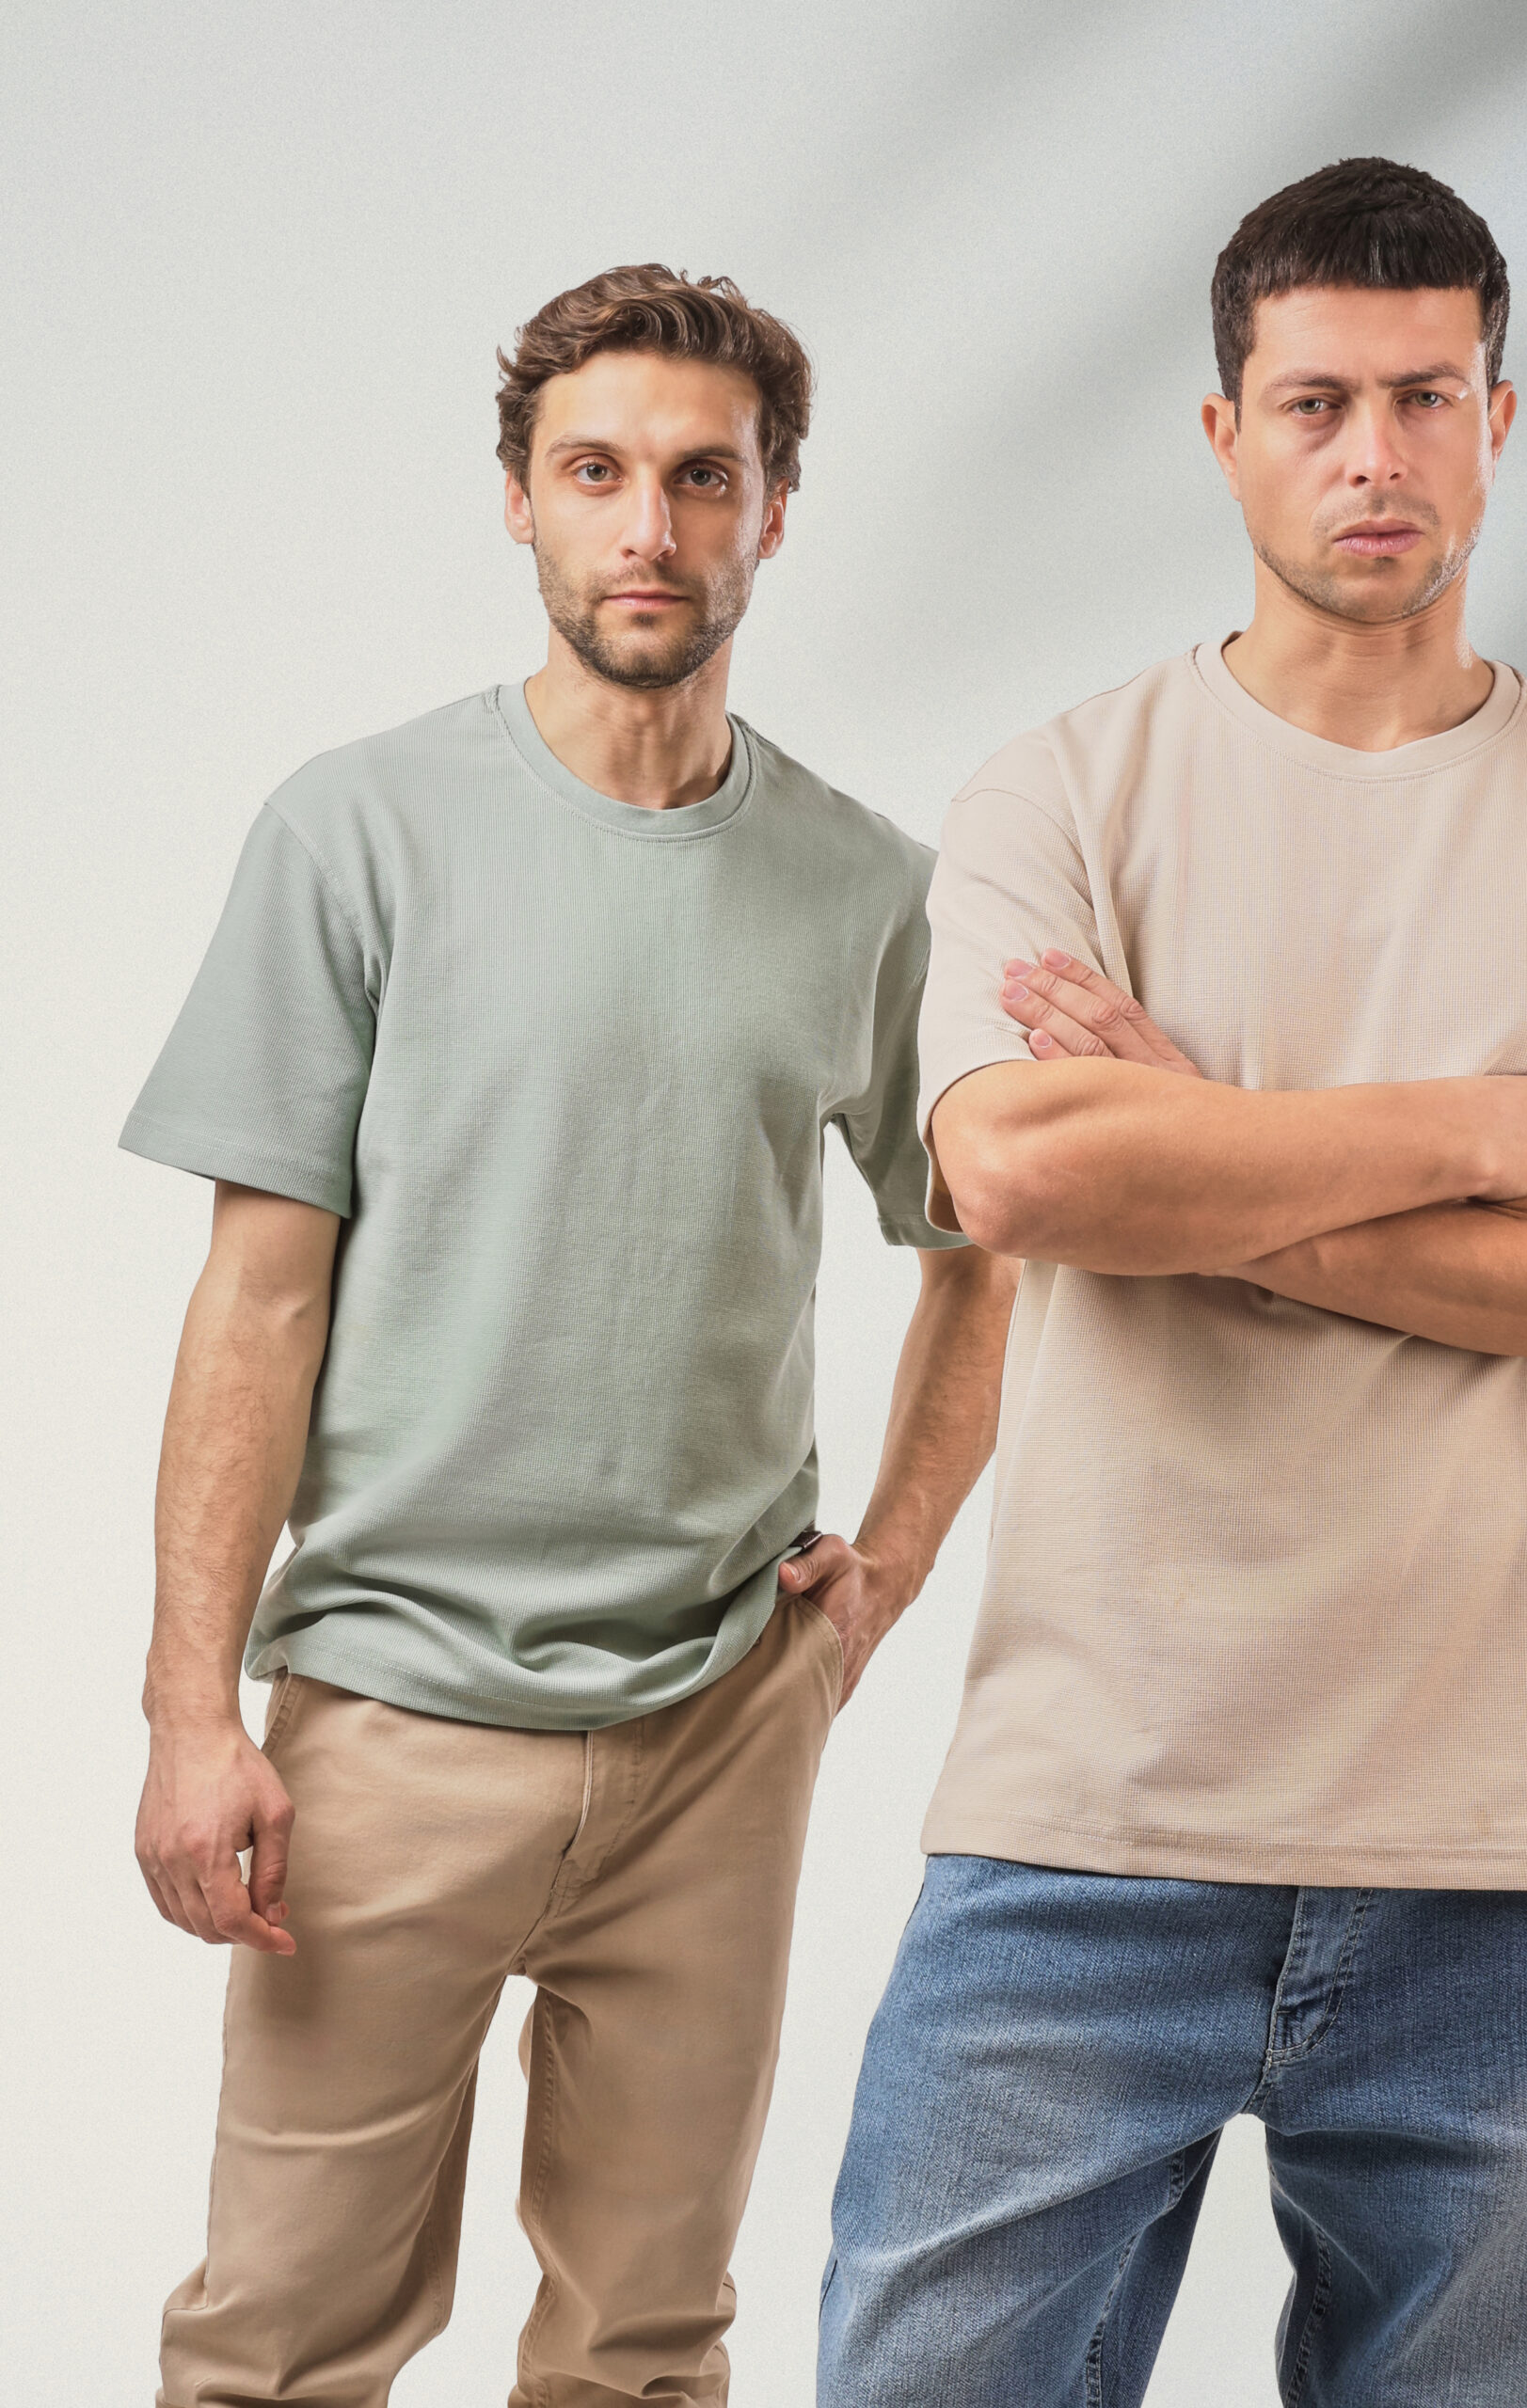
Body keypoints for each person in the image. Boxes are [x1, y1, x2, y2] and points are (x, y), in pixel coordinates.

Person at [818, 158, 1527, 2408]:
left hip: (1506, 1833)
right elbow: (1021, 1160)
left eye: (1425, 397)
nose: (1375, 454)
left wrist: (1205, 1156)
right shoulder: (1062, 794)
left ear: (1498, 420)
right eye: (1317, 402)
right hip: (1093, 1809)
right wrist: (1489, 1126)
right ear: (1224, 430)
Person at [123, 262, 1018, 2408]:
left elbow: (983, 1252)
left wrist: (886, 1564)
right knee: (277, 2349)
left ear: (773, 513)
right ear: (517, 500)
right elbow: (257, 1295)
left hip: (723, 1716)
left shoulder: (871, 890)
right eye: (596, 473)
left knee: (645, 2351)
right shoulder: (358, 830)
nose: (650, 529)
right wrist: (187, 1709)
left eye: (702, 479)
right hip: (387, 1714)